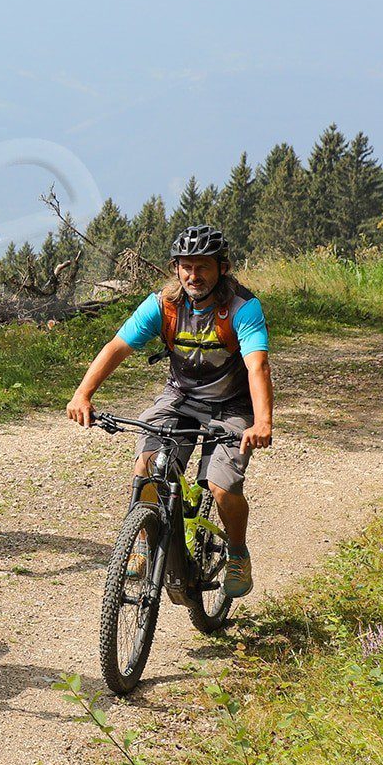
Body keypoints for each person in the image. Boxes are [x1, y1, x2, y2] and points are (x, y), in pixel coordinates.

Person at [65, 225, 273, 599]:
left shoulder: (242, 308)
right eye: (186, 267)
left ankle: (238, 553)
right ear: (176, 268)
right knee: (147, 466)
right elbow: (118, 346)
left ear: (222, 267)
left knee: (222, 487)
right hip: (179, 397)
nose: (194, 276)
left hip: (231, 405)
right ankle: (145, 545)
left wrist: (262, 422)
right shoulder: (164, 304)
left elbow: (257, 366)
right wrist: (83, 394)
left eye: (203, 267)